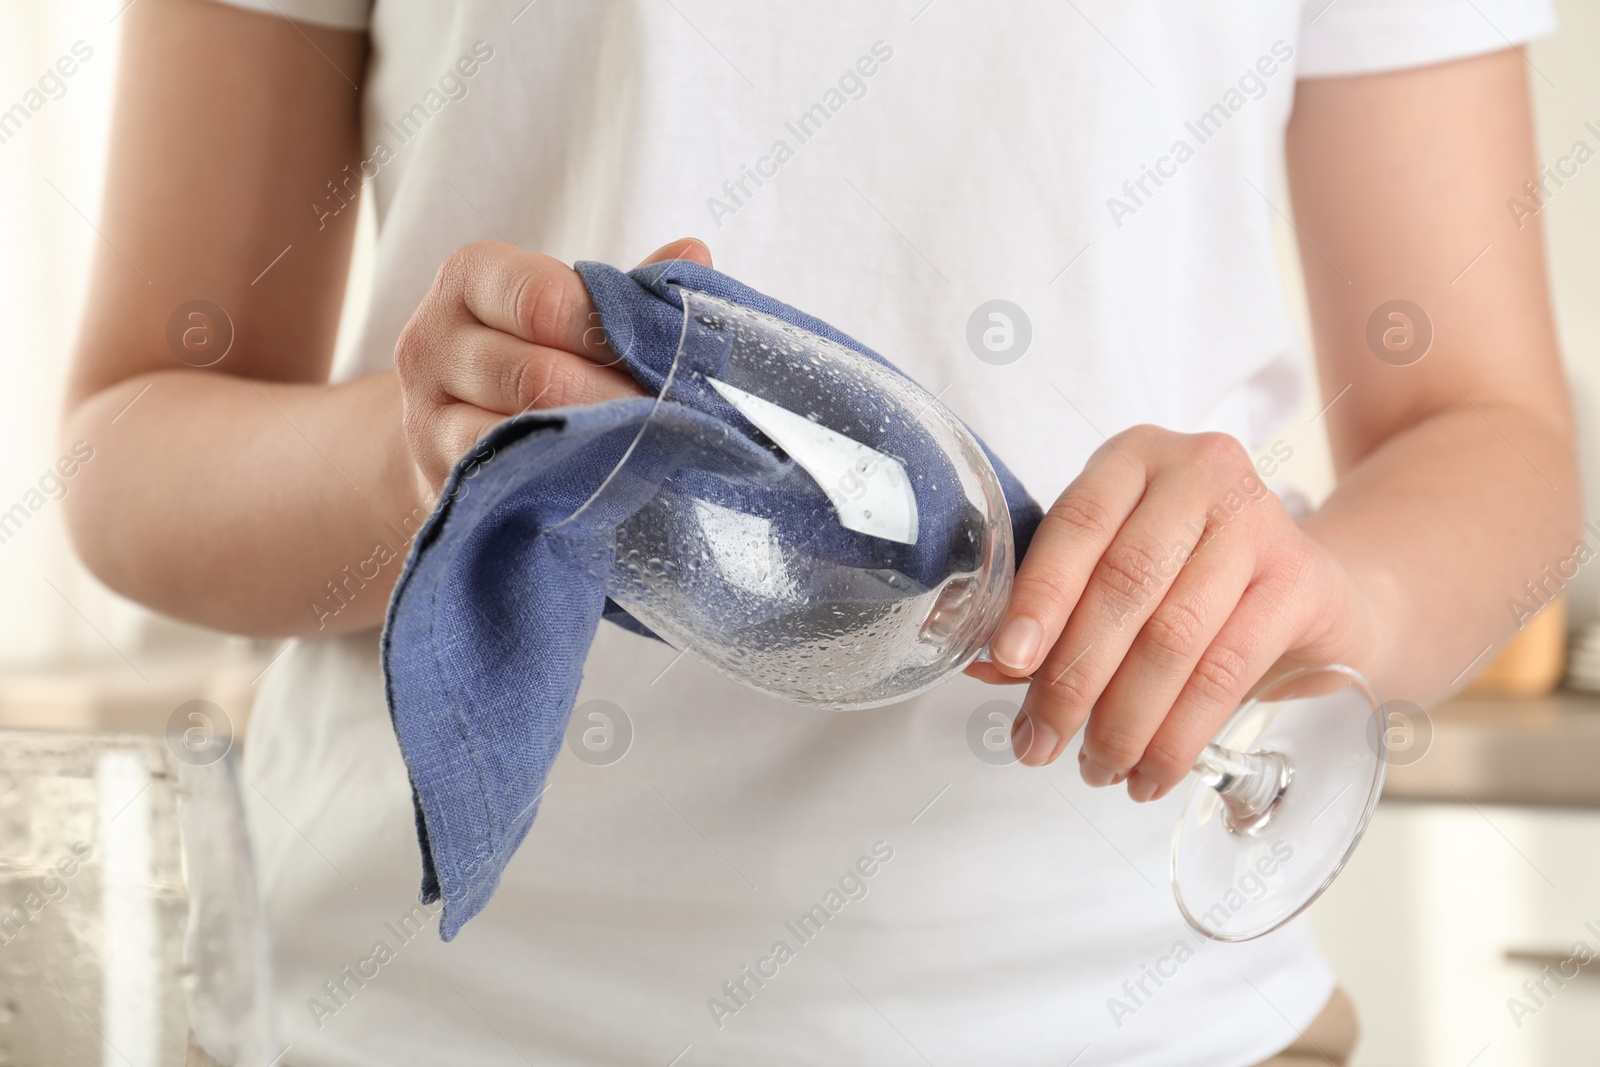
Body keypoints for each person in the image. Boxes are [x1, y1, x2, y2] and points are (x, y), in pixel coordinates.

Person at [62, 0, 1576, 1063]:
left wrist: (1332, 597)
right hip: (405, 1025)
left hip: (1143, 1021)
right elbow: (135, 437)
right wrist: (436, 460)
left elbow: (1484, 428)